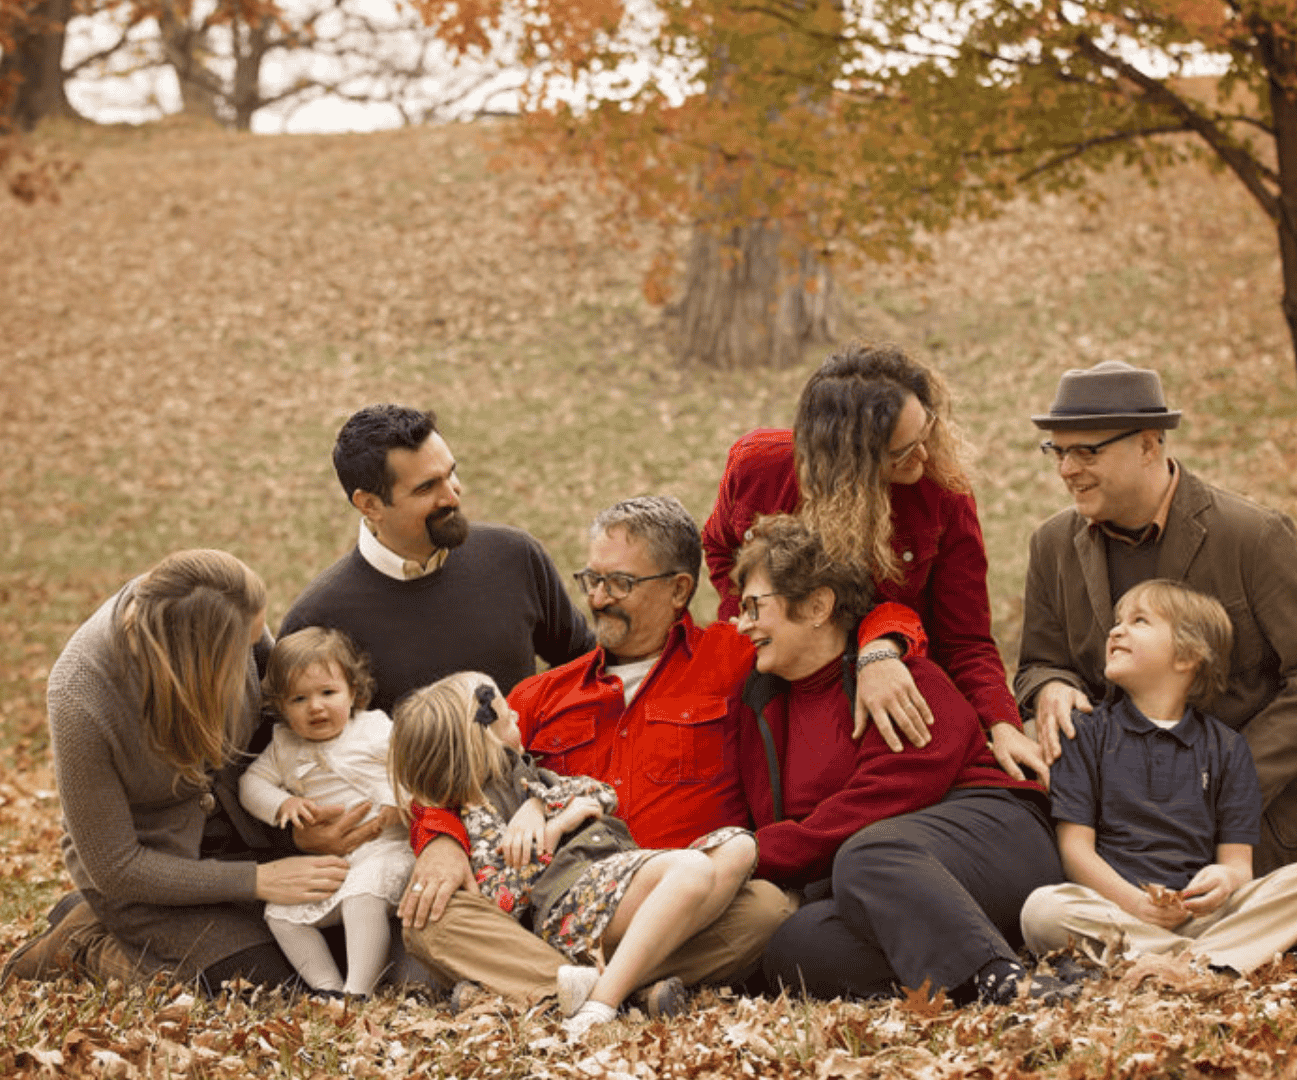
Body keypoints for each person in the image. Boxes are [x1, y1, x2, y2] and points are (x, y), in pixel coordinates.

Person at [402, 496, 932, 1008]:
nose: (599, 597)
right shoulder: (539, 697)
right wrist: (438, 839)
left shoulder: (733, 657)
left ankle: (535, 985)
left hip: (682, 902)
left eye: (620, 583)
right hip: (557, 908)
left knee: (769, 908)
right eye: (592, 579)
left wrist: (880, 651)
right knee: (429, 919)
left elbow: (854, 614)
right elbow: (453, 770)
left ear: (679, 589)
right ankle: (607, 988)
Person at [1016, 361, 1297, 893]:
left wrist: (1228, 782)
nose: (1067, 469)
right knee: (1038, 908)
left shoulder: (1254, 537)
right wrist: (1051, 687)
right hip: (1119, 836)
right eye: (1058, 451)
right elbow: (1039, 663)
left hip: (1259, 835)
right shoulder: (1052, 545)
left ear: (1148, 444)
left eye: (1086, 451)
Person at [729, 516, 1066, 1005]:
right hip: (884, 883)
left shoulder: (900, 677)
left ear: (818, 605)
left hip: (993, 836)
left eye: (754, 607)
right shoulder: (761, 705)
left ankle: (1003, 982)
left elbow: (886, 798)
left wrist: (757, 851)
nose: (743, 624)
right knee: (795, 945)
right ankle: (964, 977)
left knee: (868, 853)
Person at [3, 550, 352, 991]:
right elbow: (116, 866)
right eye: (240, 650)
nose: (254, 651)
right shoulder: (82, 691)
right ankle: (85, 944)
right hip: (144, 879)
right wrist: (259, 881)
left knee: (341, 946)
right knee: (258, 986)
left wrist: (299, 828)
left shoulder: (232, 612)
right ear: (194, 657)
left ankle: (102, 917)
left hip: (241, 839)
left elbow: (278, 715)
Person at [702, 343, 1044, 778]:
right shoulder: (758, 468)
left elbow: (965, 640)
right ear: (849, 461)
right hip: (782, 690)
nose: (924, 457)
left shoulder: (941, 494)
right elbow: (718, 546)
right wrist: (751, 620)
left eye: (928, 432)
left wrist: (1003, 724)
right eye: (903, 452)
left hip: (896, 698)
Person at [390, 672, 760, 1037]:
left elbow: (601, 796)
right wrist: (554, 830)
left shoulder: (531, 778)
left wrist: (541, 804)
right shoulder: (478, 813)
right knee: (692, 869)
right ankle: (603, 1003)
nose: (518, 715)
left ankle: (586, 986)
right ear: (485, 738)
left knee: (743, 855)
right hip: (575, 902)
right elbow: (502, 899)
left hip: (610, 878)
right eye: (507, 716)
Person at [1020, 580, 1297, 973]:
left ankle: (1180, 960)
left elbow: (1237, 865)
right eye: (1117, 622)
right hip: (1118, 912)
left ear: (1186, 657)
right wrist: (1136, 904)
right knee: (1041, 911)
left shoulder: (1227, 749)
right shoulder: (1087, 732)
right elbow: (1076, 852)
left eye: (1139, 621)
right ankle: (1206, 961)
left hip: (1202, 916)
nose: (1116, 631)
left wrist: (1223, 882)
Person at [277, 404, 594, 714]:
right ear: (370, 504)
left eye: (451, 473)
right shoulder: (316, 619)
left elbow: (585, 665)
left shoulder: (516, 556)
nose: (453, 496)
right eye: (426, 487)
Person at [241, 628, 412, 996]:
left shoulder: (374, 728)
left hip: (389, 851)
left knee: (361, 897)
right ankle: (327, 988)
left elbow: (411, 768)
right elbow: (250, 785)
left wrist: (400, 801)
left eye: (328, 693)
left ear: (353, 692)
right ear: (281, 708)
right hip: (336, 864)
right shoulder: (284, 745)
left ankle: (358, 991)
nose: (315, 706)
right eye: (299, 698)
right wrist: (282, 804)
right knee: (280, 914)